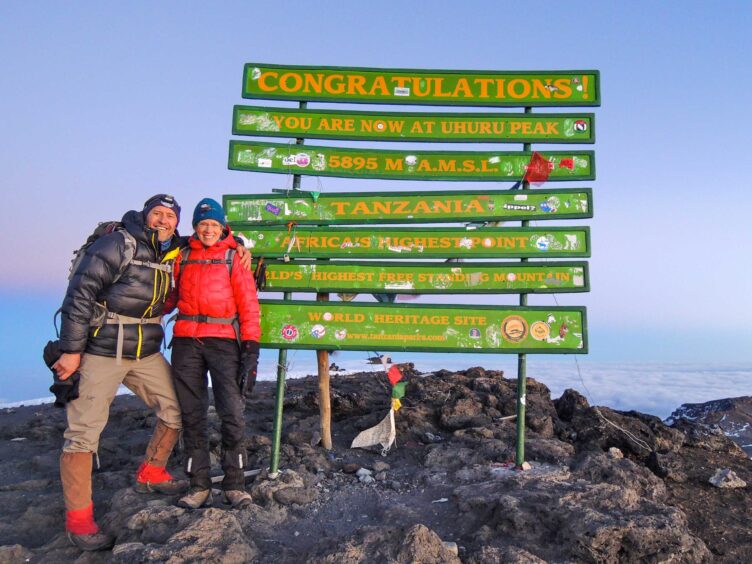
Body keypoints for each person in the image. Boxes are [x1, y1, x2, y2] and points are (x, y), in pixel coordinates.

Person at [53, 194, 189, 551]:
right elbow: (80, 294)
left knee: (177, 409)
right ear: (145, 216)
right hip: (101, 350)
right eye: (157, 214)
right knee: (83, 434)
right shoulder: (118, 243)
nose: (164, 220)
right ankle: (79, 522)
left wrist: (237, 242)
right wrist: (70, 351)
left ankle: (151, 472)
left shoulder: (171, 250)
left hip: (145, 352)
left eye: (170, 216)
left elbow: (211, 237)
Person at [167, 198, 260, 510]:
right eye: (203, 224)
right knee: (192, 415)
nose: (208, 229)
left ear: (223, 228)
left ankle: (235, 484)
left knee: (231, 413)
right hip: (185, 342)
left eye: (214, 225)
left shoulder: (235, 258)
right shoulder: (181, 256)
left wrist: (251, 350)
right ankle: (199, 486)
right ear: (195, 226)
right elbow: (168, 300)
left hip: (223, 341)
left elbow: (249, 306)